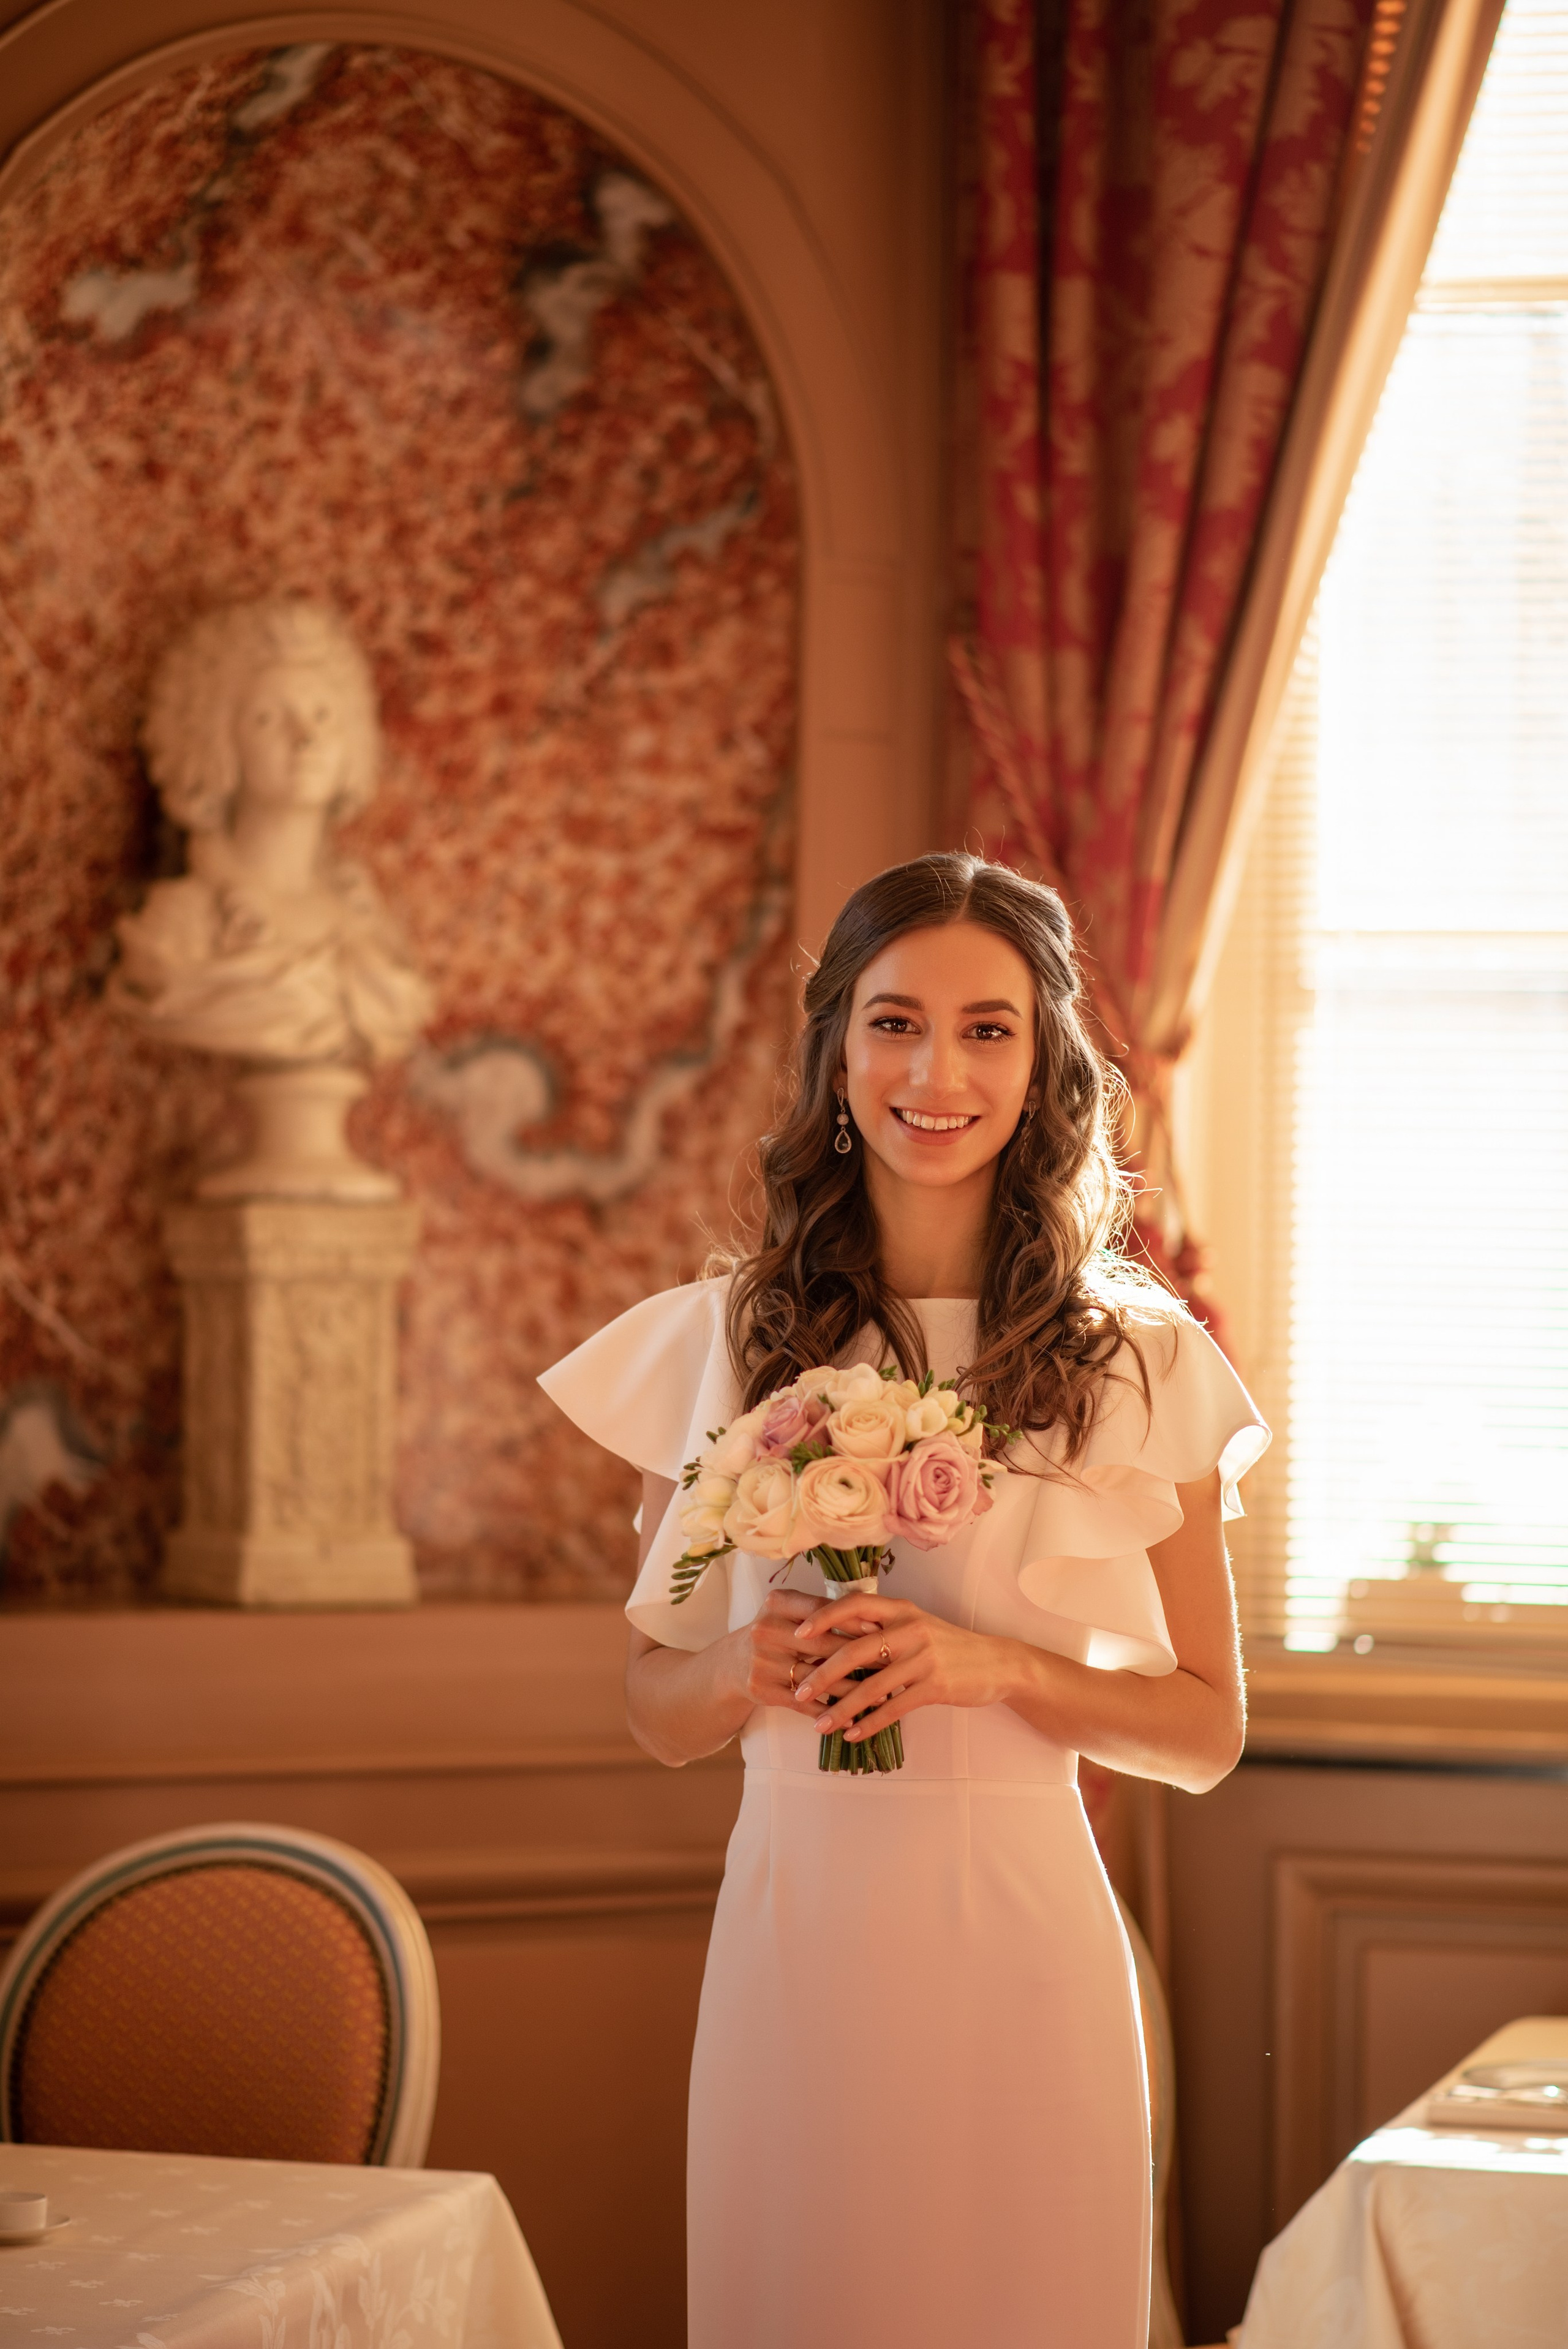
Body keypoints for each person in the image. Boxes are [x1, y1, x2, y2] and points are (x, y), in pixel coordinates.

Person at [538, 851, 1268, 2347]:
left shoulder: (1139, 1365)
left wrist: (986, 1666)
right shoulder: (723, 1341)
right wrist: (745, 1663)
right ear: (834, 1049)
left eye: (987, 1029)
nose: (936, 1072)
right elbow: (653, 1710)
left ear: (1043, 1064)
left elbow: (1203, 1734)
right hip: (794, 1947)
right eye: (894, 1022)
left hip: (1023, 1952)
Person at [111, 598, 429, 1065]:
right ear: (219, 742)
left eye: (323, 715)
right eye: (267, 718)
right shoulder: (182, 928)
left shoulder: (368, 924)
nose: (305, 737)